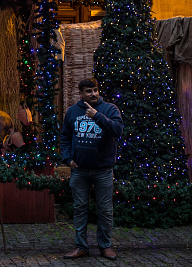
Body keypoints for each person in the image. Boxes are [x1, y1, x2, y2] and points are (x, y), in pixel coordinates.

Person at [60, 77, 124, 261]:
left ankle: (106, 247)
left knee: (105, 210)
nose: (93, 94)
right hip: (79, 171)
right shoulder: (72, 111)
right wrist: (68, 158)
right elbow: (65, 137)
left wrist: (97, 116)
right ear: (80, 94)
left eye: (95, 90)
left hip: (103, 171)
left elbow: (118, 131)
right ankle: (81, 247)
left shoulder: (109, 109)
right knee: (80, 208)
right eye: (88, 91)